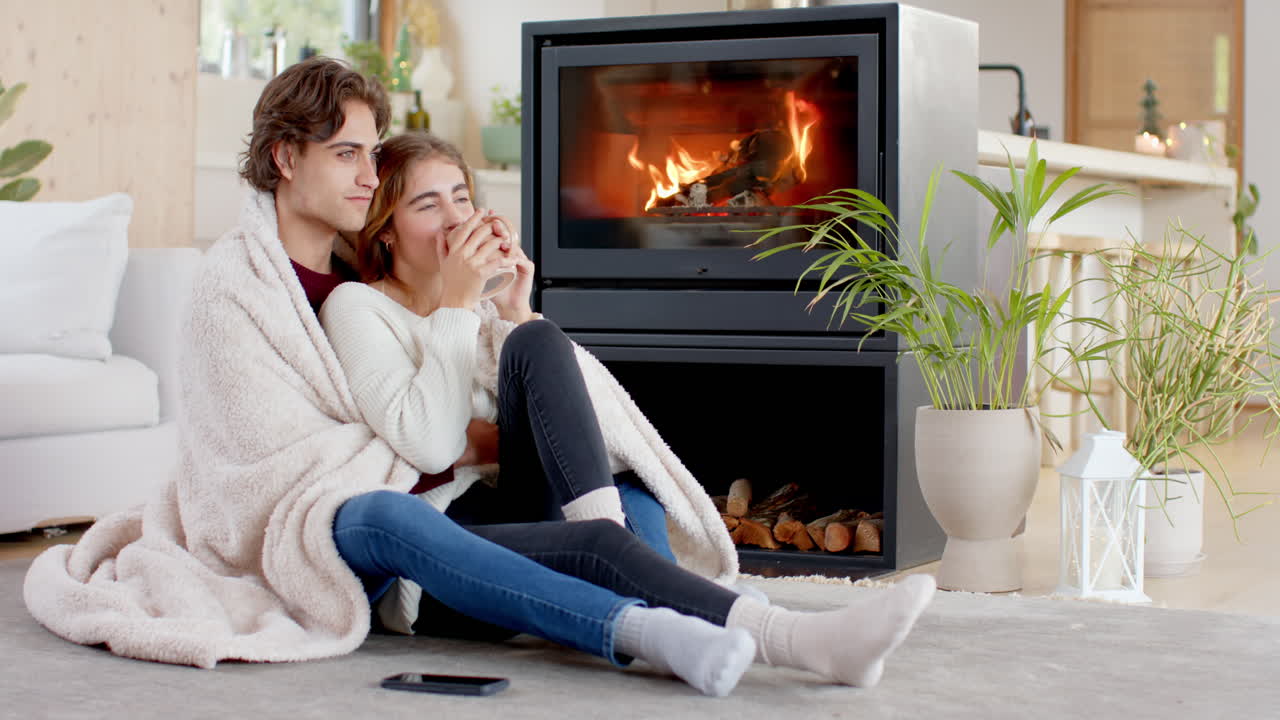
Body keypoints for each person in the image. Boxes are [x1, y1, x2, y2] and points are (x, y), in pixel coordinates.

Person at [21, 58, 932, 698]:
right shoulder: (241, 286)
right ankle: (728, 629)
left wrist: (502, 321)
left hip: (454, 509)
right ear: (285, 158)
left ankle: (656, 594)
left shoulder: (355, 280)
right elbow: (270, 464)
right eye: (346, 153)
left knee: (606, 475)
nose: (366, 174)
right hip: (349, 538)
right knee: (381, 512)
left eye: (373, 153)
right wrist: (461, 420)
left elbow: (439, 416)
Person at [319, 129, 938, 693]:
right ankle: (794, 636)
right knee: (599, 536)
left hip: (513, 504)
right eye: (428, 205)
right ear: (385, 230)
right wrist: (458, 304)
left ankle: (656, 587)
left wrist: (514, 311)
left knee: (551, 359)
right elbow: (429, 445)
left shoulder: (479, 309)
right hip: (447, 556)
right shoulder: (358, 307)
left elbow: (555, 417)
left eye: (461, 197)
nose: (456, 219)